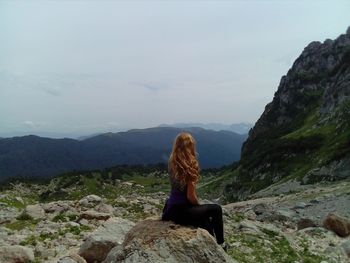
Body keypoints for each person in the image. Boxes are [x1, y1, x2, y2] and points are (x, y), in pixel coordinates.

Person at [162, 132, 227, 251]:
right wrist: (198, 205)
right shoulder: (191, 165)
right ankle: (221, 245)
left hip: (171, 210)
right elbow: (190, 196)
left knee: (204, 218)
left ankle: (211, 243)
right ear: (190, 146)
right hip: (183, 211)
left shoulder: (172, 161)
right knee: (216, 209)